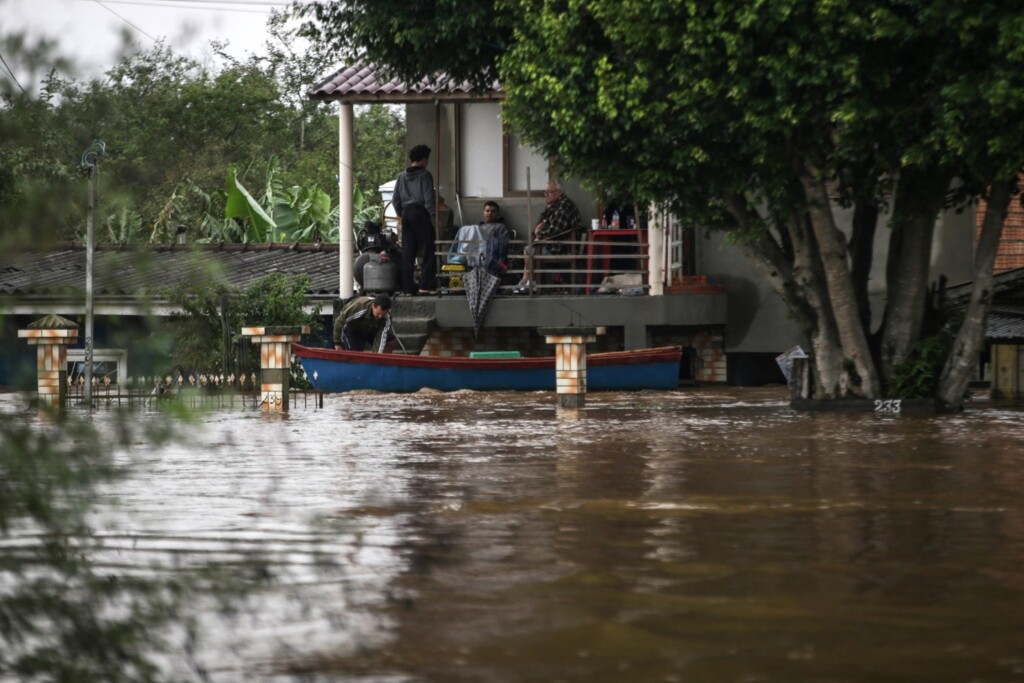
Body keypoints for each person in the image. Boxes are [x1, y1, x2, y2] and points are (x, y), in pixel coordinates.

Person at [516, 182, 585, 292]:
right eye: (545, 192)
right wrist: (542, 225)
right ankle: (527, 282)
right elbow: (549, 224)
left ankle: (528, 282)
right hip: (557, 243)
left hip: (562, 247)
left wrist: (538, 233)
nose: (546, 195)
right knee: (529, 249)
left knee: (528, 250)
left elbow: (553, 231)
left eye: (549, 192)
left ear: (559, 192)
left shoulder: (563, 206)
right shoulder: (556, 205)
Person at [392, 144, 438, 296]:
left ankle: (408, 288)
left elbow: (395, 200)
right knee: (427, 249)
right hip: (420, 212)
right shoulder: (425, 175)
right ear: (424, 159)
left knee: (408, 252)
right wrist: (432, 217)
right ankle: (426, 285)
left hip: (406, 214)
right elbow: (429, 199)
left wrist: (401, 214)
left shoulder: (401, 176)